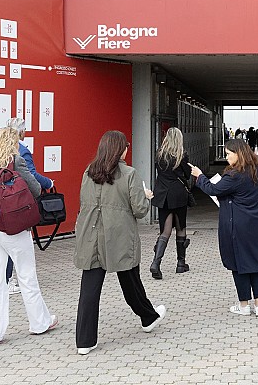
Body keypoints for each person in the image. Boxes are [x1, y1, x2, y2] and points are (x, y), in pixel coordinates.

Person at [74, 130, 166, 355]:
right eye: (126, 146)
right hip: (120, 236)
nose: (127, 150)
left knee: (89, 288)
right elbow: (140, 210)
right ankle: (148, 317)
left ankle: (85, 341)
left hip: (91, 235)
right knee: (130, 281)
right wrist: (146, 196)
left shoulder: (89, 171)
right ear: (120, 149)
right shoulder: (129, 174)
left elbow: (84, 202)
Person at [0, 127, 58, 349]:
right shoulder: (16, 161)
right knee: (27, 276)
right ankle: (40, 323)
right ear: (12, 143)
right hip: (14, 228)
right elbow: (36, 189)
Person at [189, 139, 258, 317]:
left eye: (228, 154)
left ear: (238, 154)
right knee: (257, 264)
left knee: (239, 265)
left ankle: (244, 305)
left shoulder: (235, 175)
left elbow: (213, 189)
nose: (226, 158)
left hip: (238, 228)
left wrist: (199, 176)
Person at [0, 117, 53, 295]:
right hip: (13, 217)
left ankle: (4, 289)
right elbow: (34, 185)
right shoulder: (19, 156)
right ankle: (11, 284)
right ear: (19, 135)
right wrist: (15, 191)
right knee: (27, 278)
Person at [150, 127, 193, 279]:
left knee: (165, 230)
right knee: (181, 227)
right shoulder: (182, 155)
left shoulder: (159, 154)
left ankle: (156, 263)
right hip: (178, 194)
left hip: (163, 195)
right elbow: (187, 175)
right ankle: (181, 264)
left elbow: (159, 173)